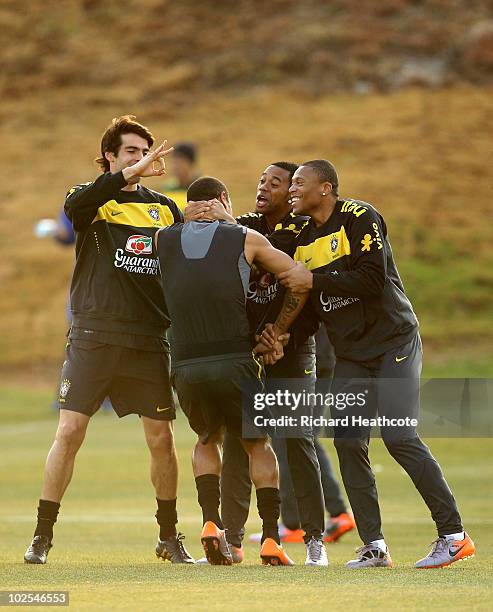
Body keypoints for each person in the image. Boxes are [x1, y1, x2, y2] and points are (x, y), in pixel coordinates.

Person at [267, 159, 475, 569]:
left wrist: (315, 282)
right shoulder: (300, 239)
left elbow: (371, 278)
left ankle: (454, 536)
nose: (291, 190)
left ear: (325, 188)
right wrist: (281, 334)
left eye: (298, 183)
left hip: (393, 341)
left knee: (399, 436)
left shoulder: (359, 216)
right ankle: (374, 546)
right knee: (347, 442)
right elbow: (310, 308)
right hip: (352, 356)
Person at [24, 115, 194, 565]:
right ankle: (42, 536)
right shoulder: (88, 199)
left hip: (147, 339)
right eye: (131, 152)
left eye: (145, 152)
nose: (140, 159)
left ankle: (169, 536)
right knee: (70, 430)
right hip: (94, 335)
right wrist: (126, 177)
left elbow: (183, 268)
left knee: (161, 439)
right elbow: (80, 207)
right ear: (110, 158)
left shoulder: (164, 208)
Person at [187, 163, 343, 565]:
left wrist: (280, 332)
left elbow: (301, 283)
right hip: (248, 354)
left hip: (291, 351)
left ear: (292, 192)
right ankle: (234, 540)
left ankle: (313, 539)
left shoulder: (302, 229)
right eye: (260, 181)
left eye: (276, 183)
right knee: (243, 443)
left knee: (296, 439)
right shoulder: (243, 223)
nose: (264, 187)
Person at [155, 175, 310, 566]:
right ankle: (272, 537)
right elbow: (299, 279)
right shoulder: (246, 238)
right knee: (257, 445)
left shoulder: (162, 239)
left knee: (207, 440)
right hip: (235, 360)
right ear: (223, 200)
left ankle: (211, 524)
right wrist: (278, 330)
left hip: (185, 362)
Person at [160, 142, 200, 210]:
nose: (175, 166)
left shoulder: (203, 188)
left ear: (190, 162)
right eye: (173, 162)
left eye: (179, 162)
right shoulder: (168, 188)